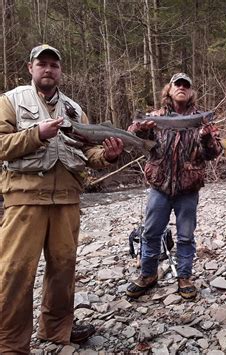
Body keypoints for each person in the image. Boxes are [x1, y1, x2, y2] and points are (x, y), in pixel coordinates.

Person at [0, 44, 124, 354]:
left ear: (60, 71)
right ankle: (11, 344)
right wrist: (36, 134)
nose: (48, 70)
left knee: (63, 268)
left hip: (68, 199)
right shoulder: (11, 101)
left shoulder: (75, 109)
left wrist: (106, 156)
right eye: (42, 64)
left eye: (54, 65)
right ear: (30, 68)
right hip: (25, 198)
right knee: (15, 272)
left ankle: (56, 330)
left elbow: (87, 155)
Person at [126, 73, 222, 300]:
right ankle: (148, 274)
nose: (181, 88)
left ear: (190, 92)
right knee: (150, 233)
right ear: (169, 90)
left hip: (188, 189)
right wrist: (142, 130)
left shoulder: (203, 120)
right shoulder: (155, 117)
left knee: (186, 237)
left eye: (186, 85)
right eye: (177, 84)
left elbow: (215, 152)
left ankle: (185, 276)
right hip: (159, 186)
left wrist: (207, 138)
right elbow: (133, 139)